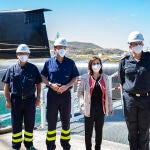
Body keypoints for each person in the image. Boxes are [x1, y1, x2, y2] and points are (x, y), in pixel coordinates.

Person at [41, 37, 79, 150]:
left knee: (66, 123)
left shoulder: (71, 63)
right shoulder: (48, 62)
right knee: (51, 123)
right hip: (52, 96)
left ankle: (65, 145)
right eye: (59, 47)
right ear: (55, 49)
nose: (62, 49)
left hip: (66, 96)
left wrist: (66, 86)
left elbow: (75, 77)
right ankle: (50, 146)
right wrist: (50, 85)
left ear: (66, 48)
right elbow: (43, 76)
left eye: (63, 47)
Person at [2, 44, 42, 150]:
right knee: (16, 124)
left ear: (28, 54)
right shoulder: (11, 69)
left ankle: (29, 145)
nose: (23, 55)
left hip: (30, 101)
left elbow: (38, 84)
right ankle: (16, 145)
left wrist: (38, 99)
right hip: (16, 101)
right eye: (20, 53)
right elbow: (6, 86)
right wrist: (7, 100)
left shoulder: (33, 68)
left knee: (29, 124)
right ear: (17, 55)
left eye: (25, 53)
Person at [118, 31, 150, 150]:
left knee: (144, 131)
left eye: (139, 43)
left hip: (146, 99)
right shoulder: (124, 61)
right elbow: (122, 81)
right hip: (130, 100)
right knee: (132, 130)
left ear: (142, 43)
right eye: (134, 43)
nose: (137, 45)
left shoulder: (149, 58)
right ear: (130, 46)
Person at [77, 56, 113, 150]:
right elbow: (79, 92)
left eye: (98, 63)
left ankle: (98, 148)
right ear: (90, 65)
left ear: (101, 65)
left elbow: (108, 93)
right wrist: (82, 104)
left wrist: (110, 107)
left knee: (99, 132)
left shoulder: (105, 77)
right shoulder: (85, 78)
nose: (96, 65)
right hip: (88, 109)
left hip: (101, 109)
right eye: (94, 64)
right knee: (88, 132)